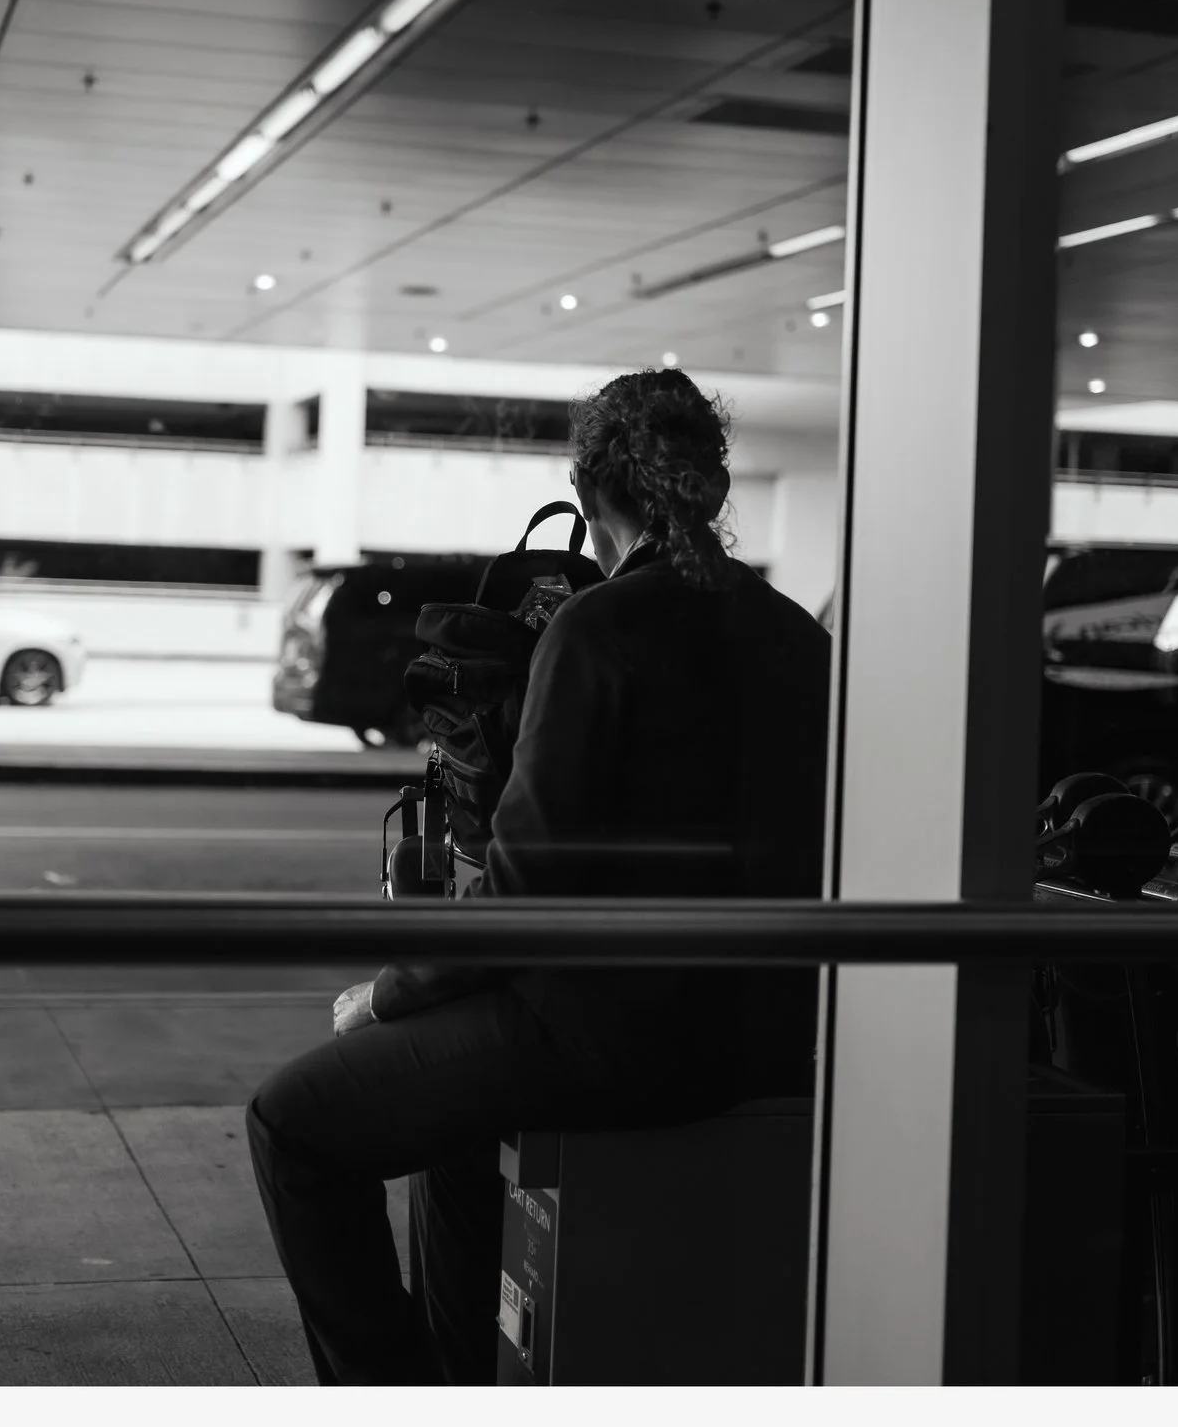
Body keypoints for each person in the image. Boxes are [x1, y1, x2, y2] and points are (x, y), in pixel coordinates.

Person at [246, 366, 833, 1385]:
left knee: (291, 1123)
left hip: (611, 1033)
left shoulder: (597, 627)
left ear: (590, 494)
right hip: (766, 1027)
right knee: (459, 1141)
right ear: (712, 485)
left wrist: (384, 995)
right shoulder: (795, 634)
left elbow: (523, 891)